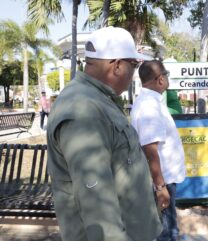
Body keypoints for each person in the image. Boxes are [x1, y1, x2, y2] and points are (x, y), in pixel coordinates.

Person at [46, 27, 162, 241]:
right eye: (134, 65)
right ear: (117, 66)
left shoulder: (98, 100)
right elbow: (96, 201)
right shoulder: (83, 110)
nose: (134, 72)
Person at [130, 60, 186, 241]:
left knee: (170, 229)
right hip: (162, 181)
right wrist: (160, 187)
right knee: (165, 232)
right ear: (160, 79)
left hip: (165, 180)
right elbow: (150, 149)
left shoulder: (152, 101)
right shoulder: (149, 106)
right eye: (166, 75)